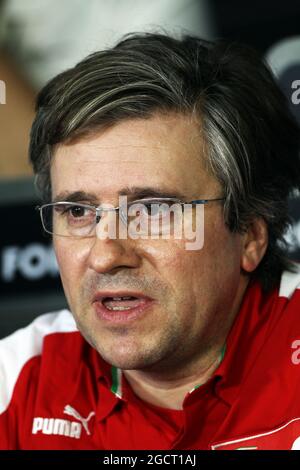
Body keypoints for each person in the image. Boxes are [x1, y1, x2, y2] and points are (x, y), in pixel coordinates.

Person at [1, 32, 300, 450]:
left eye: (153, 210)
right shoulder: (17, 377)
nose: (106, 256)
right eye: (79, 212)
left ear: (250, 233)